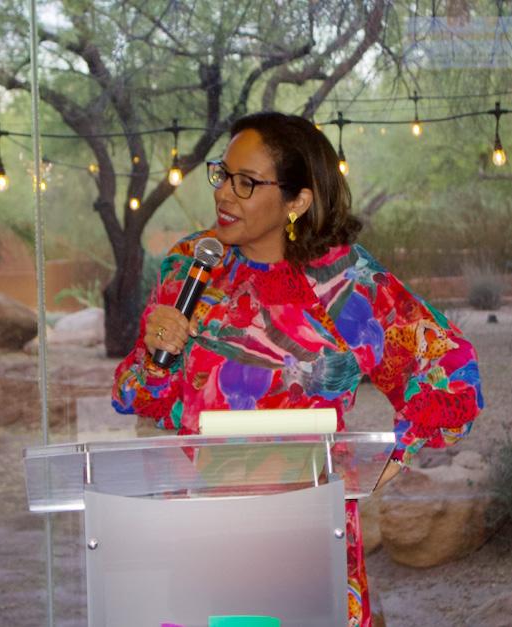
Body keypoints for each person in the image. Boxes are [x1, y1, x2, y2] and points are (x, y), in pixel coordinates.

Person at [112, 111, 483, 626]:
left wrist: (387, 459)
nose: (225, 194)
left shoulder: (346, 284)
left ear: (297, 201)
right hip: (200, 533)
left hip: (307, 543)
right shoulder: (192, 264)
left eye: (246, 182)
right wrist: (155, 358)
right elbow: (139, 396)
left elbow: (453, 372)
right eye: (223, 175)